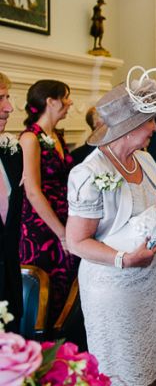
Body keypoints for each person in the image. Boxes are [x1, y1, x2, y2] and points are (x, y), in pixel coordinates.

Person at [66, 69, 156, 385]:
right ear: (129, 127)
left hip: (154, 289)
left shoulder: (146, 161)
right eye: (150, 120)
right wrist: (124, 259)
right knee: (125, 372)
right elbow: (76, 242)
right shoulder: (89, 173)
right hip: (114, 291)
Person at [18, 79, 78, 325]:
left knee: (66, 286)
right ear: (51, 102)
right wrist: (61, 233)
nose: (70, 102)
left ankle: (64, 342)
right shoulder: (29, 138)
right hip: (42, 227)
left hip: (65, 219)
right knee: (46, 292)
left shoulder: (56, 137)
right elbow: (32, 192)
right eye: (66, 97)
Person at [0, 72, 23, 332]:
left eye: (7, 97)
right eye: (0, 98)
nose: (9, 107)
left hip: (10, 285)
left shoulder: (12, 153)